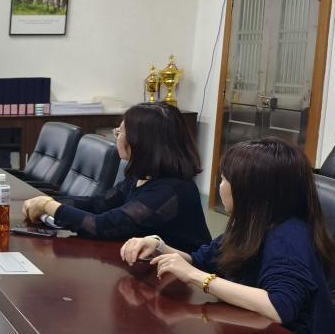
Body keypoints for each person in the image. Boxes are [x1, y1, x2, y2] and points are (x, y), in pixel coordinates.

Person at [121, 137, 335, 334]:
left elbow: (279, 306)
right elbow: (199, 260)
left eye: (224, 179)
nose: (220, 186)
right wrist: (159, 246)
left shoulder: (288, 237)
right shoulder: (252, 225)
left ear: (250, 189)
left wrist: (198, 278)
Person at [22, 102, 211, 252]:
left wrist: (48, 206)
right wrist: (48, 201)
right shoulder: (143, 175)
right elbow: (98, 203)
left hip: (184, 281)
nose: (117, 137)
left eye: (120, 133)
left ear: (140, 142)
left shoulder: (170, 191)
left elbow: (100, 226)